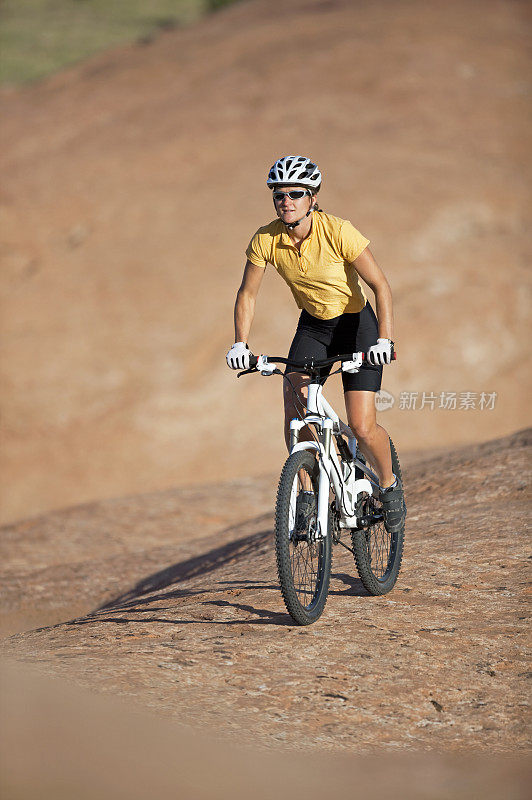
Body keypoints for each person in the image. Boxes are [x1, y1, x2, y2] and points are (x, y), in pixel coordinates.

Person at [226, 155, 406, 534]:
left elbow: (381, 285)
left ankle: (389, 488)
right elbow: (247, 294)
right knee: (295, 409)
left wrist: (385, 339)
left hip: (357, 325)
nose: (286, 201)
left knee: (360, 424)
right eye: (279, 195)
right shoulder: (266, 238)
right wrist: (240, 344)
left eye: (295, 193)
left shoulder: (338, 230)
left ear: (313, 197)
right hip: (314, 327)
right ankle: (309, 495)